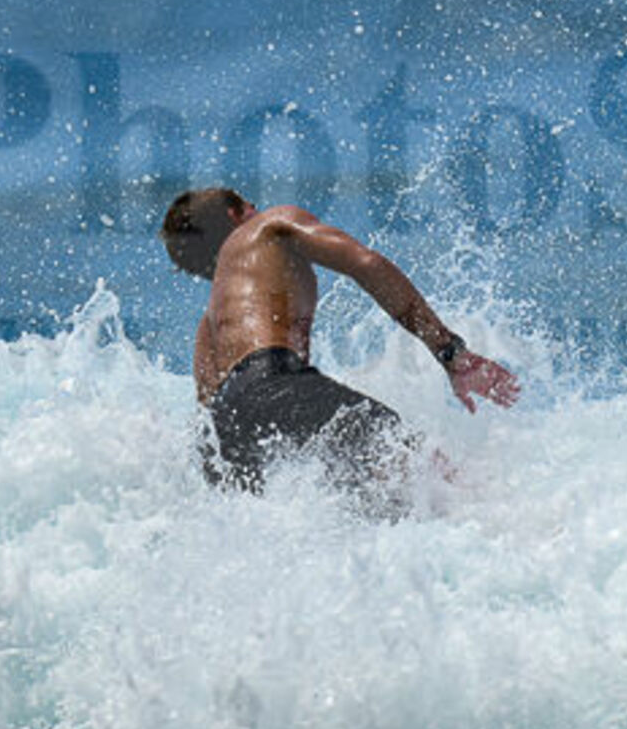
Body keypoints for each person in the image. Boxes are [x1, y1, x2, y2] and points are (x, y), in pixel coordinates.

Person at [159, 187, 520, 502]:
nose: (258, 208)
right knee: (435, 479)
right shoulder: (268, 225)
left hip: (225, 425)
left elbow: (210, 418)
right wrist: (450, 352)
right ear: (234, 214)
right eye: (250, 204)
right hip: (277, 383)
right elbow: (365, 264)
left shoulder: (209, 327)